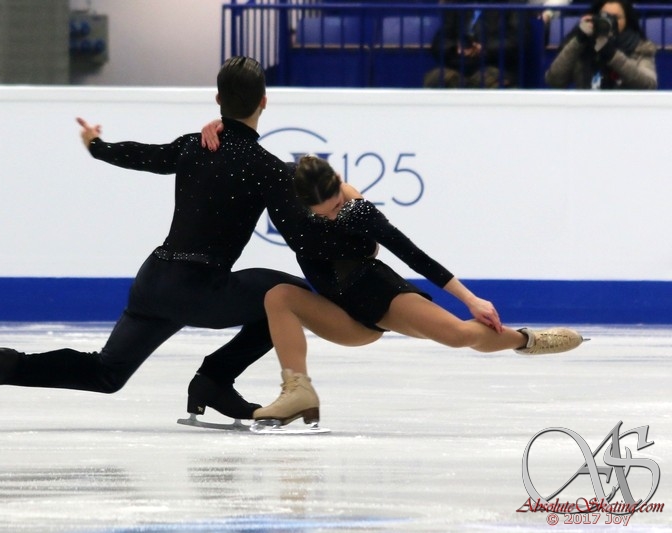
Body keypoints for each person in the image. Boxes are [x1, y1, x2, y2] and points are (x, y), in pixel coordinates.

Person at [0, 57, 366, 423]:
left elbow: (142, 155)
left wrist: (97, 144)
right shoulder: (265, 168)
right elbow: (300, 236)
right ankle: (214, 380)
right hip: (201, 288)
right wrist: (349, 244)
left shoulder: (194, 146)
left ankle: (4, 364)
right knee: (287, 297)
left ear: (218, 100)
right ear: (264, 102)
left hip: (155, 281)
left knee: (106, 373)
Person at [248, 156, 584, 426]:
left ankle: (526, 340)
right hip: (339, 314)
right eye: (325, 213)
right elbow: (249, 156)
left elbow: (413, 255)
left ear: (339, 182)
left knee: (458, 335)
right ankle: (298, 391)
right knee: (278, 296)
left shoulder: (358, 212)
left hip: (377, 294)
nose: (335, 216)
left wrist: (471, 299)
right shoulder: (288, 197)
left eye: (337, 205)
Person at [545, 0, 657, 89]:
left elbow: (649, 85)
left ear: (627, 20)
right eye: (605, 16)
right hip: (587, 106)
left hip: (624, 108)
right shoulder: (584, 45)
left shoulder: (640, 47)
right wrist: (578, 40)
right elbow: (554, 79)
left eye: (617, 18)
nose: (611, 21)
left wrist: (612, 55)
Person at [424, 0, 529, 88]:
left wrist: (484, 48)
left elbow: (518, 40)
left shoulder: (513, 3)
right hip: (460, 67)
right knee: (435, 78)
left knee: (481, 79)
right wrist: (456, 48)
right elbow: (439, 42)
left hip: (496, 67)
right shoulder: (458, 4)